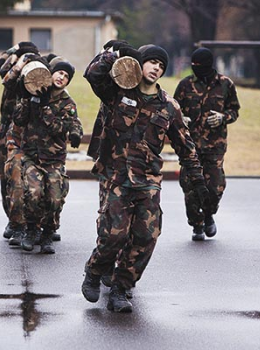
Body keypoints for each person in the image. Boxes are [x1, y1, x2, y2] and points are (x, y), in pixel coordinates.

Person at [81, 42, 208, 312]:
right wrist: (114, 54)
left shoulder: (169, 107)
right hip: (116, 176)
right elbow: (93, 74)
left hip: (147, 180)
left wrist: (197, 179)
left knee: (146, 235)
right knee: (114, 235)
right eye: (151, 62)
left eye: (161, 66)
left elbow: (185, 146)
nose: (156, 68)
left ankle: (121, 287)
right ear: (140, 64)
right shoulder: (117, 92)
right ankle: (94, 272)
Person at [12, 59, 83, 254]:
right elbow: (18, 120)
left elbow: (61, 128)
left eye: (66, 76)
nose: (62, 77)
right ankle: (31, 230)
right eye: (59, 73)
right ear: (49, 74)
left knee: (55, 198)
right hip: (32, 157)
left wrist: (45, 109)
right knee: (33, 194)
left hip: (54, 160)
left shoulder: (67, 103)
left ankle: (48, 234)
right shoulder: (33, 95)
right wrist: (25, 98)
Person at [173, 47, 241, 241]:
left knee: (216, 186)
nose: (196, 69)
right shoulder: (185, 85)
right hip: (190, 146)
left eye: (200, 66)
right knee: (190, 187)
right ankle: (197, 224)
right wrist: (181, 118)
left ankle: (209, 214)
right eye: (193, 66)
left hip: (214, 146)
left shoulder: (225, 84)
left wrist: (223, 117)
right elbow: (173, 109)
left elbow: (234, 110)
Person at [0, 42, 39, 241]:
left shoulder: (37, 71)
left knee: (31, 182)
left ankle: (34, 225)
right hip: (6, 131)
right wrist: (16, 52)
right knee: (7, 179)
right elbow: (1, 68)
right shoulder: (12, 76)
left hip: (28, 133)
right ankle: (13, 221)